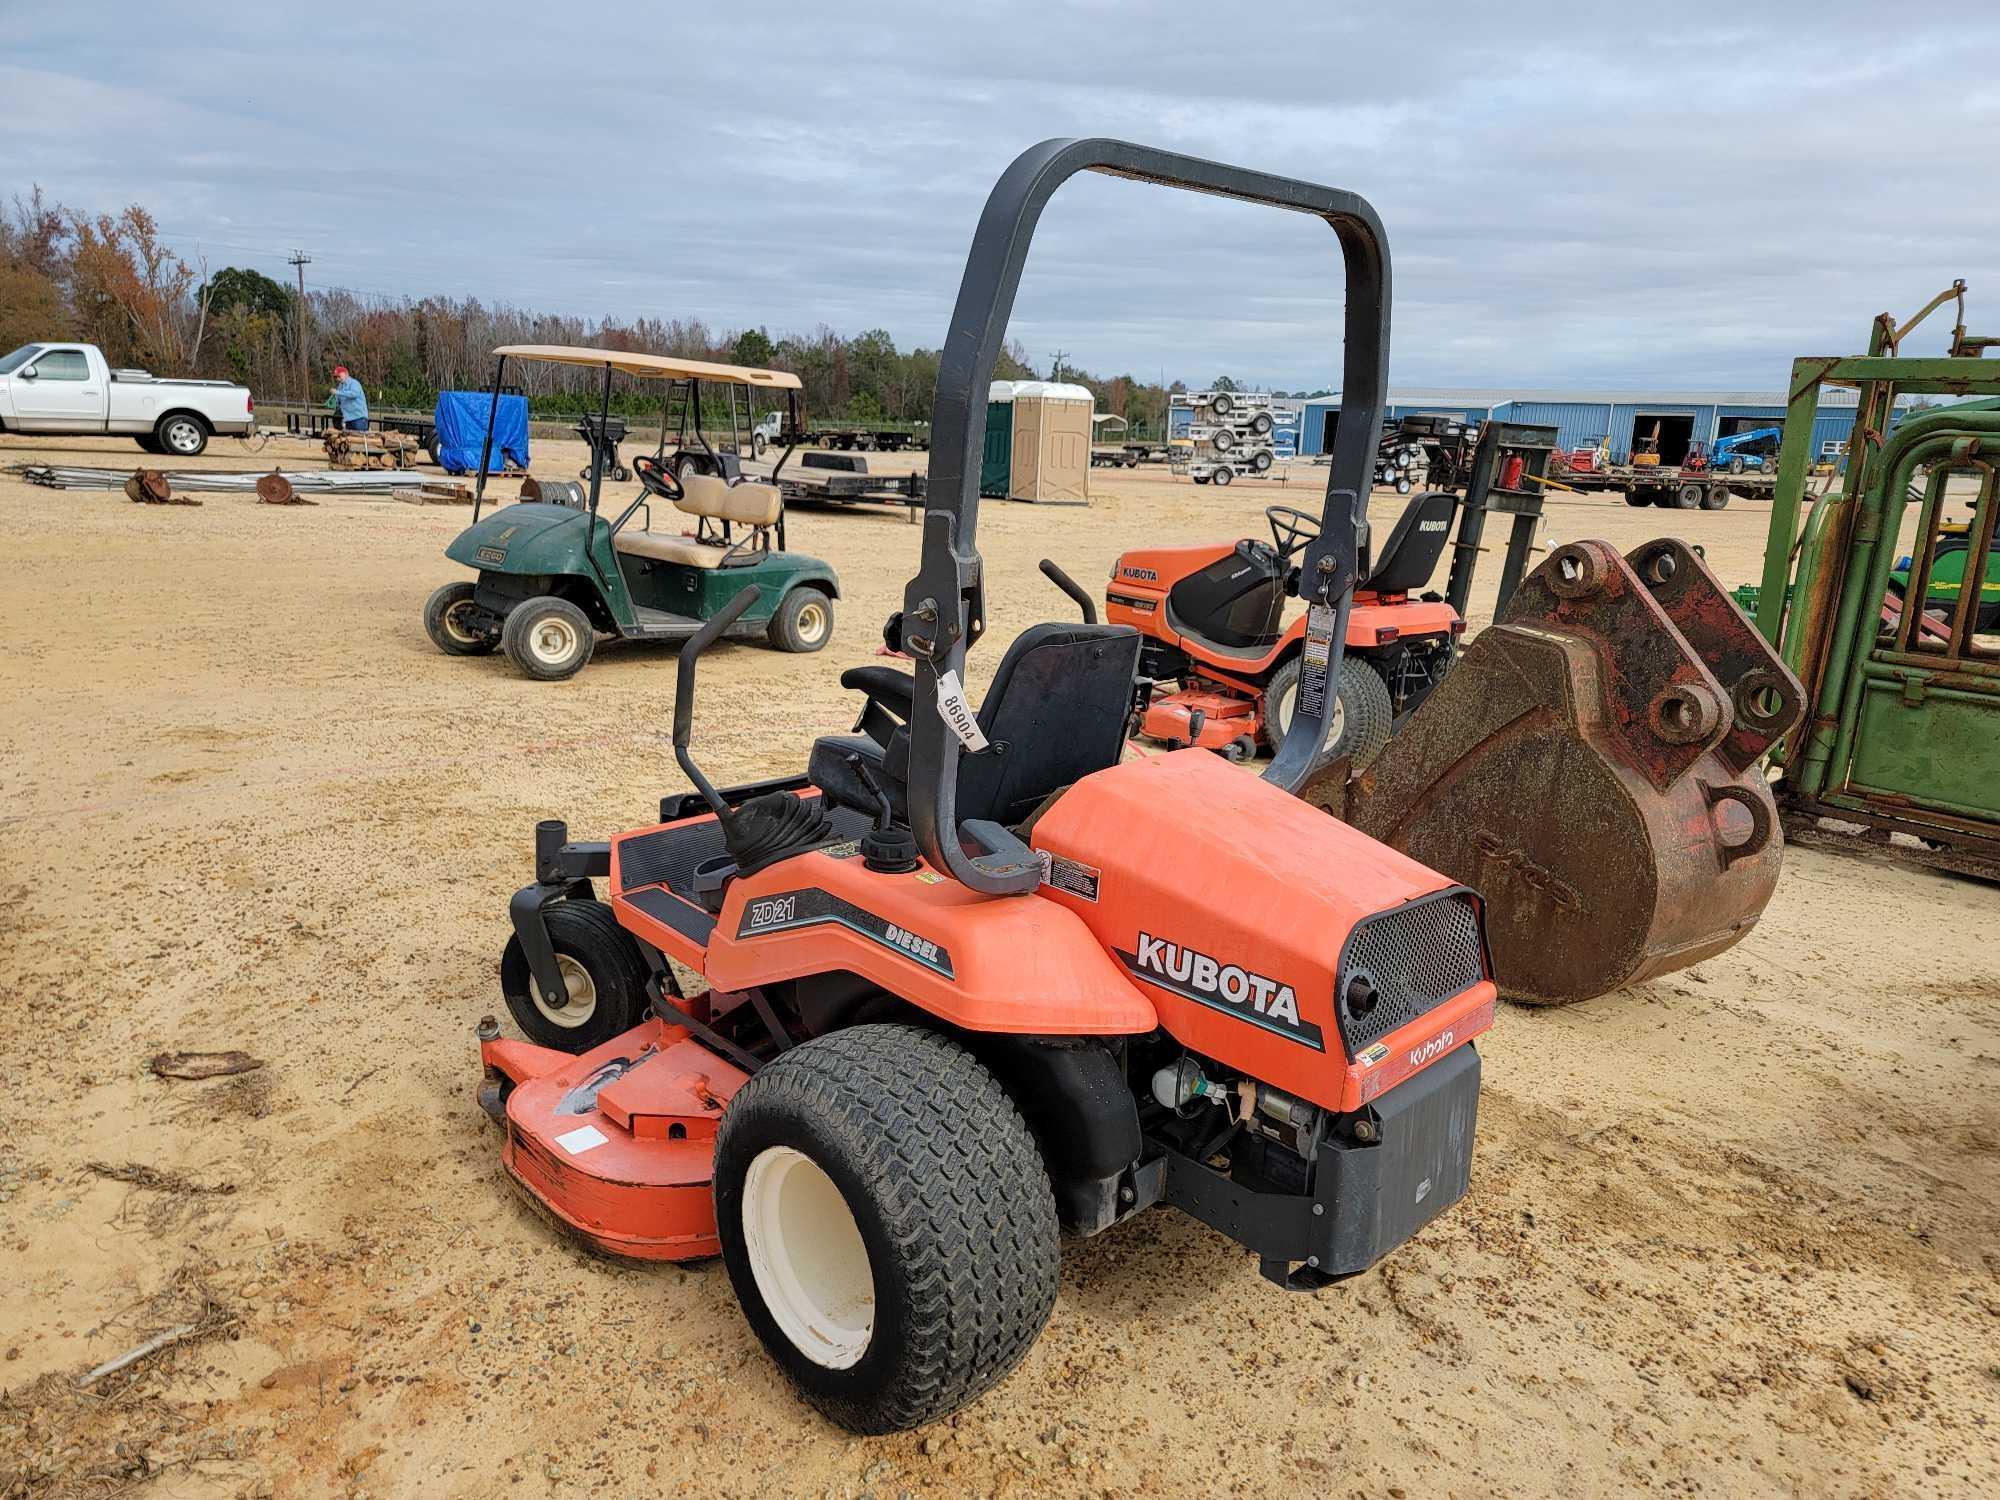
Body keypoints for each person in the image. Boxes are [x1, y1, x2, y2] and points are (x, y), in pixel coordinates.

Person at [327, 365, 370, 432]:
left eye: (339, 376)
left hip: (359, 419)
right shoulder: (340, 386)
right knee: (349, 441)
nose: (337, 378)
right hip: (348, 419)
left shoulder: (354, 383)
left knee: (359, 440)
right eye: (336, 377)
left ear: (346, 374)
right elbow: (339, 400)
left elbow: (354, 394)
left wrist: (338, 392)